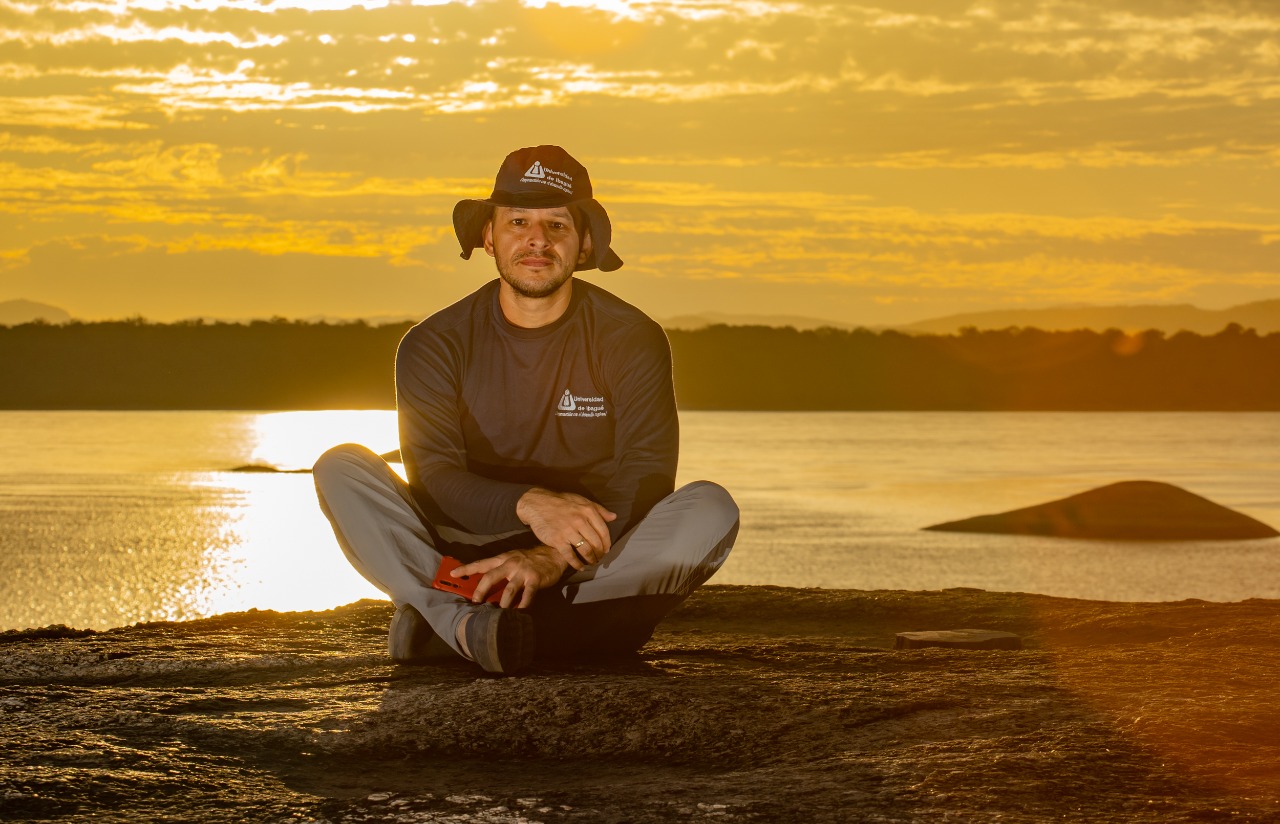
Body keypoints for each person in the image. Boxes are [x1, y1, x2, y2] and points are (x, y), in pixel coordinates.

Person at [313, 145, 739, 676]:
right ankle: (479, 616)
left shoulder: (632, 338)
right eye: (517, 221)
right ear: (489, 237)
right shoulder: (434, 342)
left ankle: (455, 628)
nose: (537, 239)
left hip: (588, 556)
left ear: (584, 244)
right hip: (464, 556)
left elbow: (647, 474)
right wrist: (530, 505)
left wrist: (552, 556)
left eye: (557, 224)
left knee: (710, 508)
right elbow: (437, 478)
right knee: (341, 466)